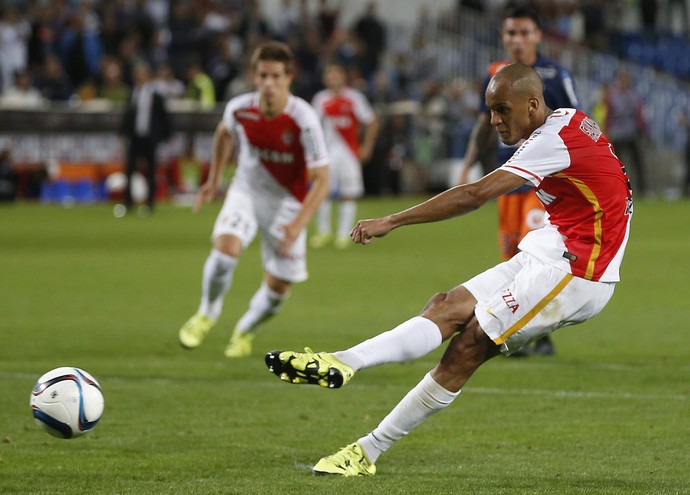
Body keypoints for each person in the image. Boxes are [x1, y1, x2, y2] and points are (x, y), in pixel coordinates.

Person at [265, 63, 633, 476]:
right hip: (552, 247)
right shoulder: (567, 120)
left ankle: (367, 451)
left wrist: (393, 220)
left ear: (532, 104)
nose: (494, 120)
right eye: (490, 110)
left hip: (577, 273)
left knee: (469, 344)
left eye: (501, 110)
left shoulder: (553, 139)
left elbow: (475, 195)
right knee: (446, 306)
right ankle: (343, 361)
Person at [178, 41, 330, 359]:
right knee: (225, 251)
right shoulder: (239, 108)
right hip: (246, 192)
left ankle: (245, 330)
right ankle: (206, 314)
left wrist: (297, 225)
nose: (269, 84)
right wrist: (214, 179)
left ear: (289, 77)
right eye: (263, 76)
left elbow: (323, 179)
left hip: (288, 205)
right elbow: (223, 133)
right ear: (254, 76)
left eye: (276, 76)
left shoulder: (303, 119)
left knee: (278, 289)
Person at [458, 6, 579, 356]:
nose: (518, 40)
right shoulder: (496, 75)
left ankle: (539, 335)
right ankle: (525, 332)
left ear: (538, 36)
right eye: (511, 33)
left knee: (536, 257)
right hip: (506, 179)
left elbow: (576, 120)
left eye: (525, 32)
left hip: (542, 184)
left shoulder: (553, 75)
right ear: (503, 37)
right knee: (512, 254)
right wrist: (467, 164)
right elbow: (485, 125)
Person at [310, 62, 379, 249]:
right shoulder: (320, 99)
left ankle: (344, 234)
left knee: (348, 194)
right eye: (329, 74)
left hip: (349, 153)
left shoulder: (355, 98)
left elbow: (372, 121)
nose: (333, 77)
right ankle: (323, 232)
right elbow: (312, 128)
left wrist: (367, 147)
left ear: (343, 76)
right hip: (326, 154)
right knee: (322, 193)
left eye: (336, 73)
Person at [117, 61, 171, 217]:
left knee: (151, 170)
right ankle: (128, 203)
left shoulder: (155, 95)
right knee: (130, 169)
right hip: (135, 137)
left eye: (141, 74)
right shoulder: (133, 93)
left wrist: (165, 136)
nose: (138, 77)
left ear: (147, 75)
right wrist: (122, 132)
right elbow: (127, 116)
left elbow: (163, 117)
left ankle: (150, 203)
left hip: (150, 137)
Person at [603, 70, 648, 197]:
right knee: (616, 164)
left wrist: (643, 131)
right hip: (618, 133)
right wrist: (607, 130)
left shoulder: (634, 96)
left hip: (632, 133)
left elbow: (640, 115)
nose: (624, 82)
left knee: (638, 163)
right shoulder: (613, 96)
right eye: (622, 79)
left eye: (626, 79)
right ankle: (618, 189)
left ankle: (642, 190)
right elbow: (609, 114)